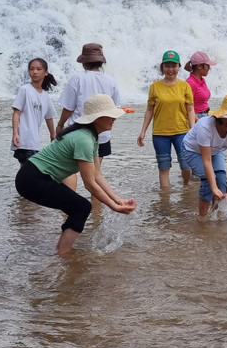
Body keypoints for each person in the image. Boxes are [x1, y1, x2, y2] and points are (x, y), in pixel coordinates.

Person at [15, 94, 136, 256]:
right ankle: (63, 253)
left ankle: (63, 251)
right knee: (82, 207)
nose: (114, 119)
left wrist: (118, 199)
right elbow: (90, 184)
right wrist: (113, 207)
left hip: (33, 176)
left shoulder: (91, 137)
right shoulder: (83, 139)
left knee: (77, 207)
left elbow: (97, 175)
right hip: (32, 178)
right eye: (110, 115)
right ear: (96, 118)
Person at [56, 43, 122, 190]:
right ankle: (97, 212)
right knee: (95, 174)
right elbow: (115, 109)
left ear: (84, 62)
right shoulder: (111, 81)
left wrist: (60, 125)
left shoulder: (77, 79)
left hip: (77, 133)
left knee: (69, 170)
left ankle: (68, 208)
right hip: (101, 135)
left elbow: (68, 108)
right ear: (101, 62)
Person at [182, 94, 227, 216]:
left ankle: (215, 215)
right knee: (209, 183)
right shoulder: (205, 126)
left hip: (216, 150)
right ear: (221, 115)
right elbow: (207, 160)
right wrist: (213, 187)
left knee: (222, 182)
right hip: (191, 150)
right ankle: (202, 218)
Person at [137, 50, 196, 188]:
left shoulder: (184, 86)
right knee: (163, 167)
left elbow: (190, 109)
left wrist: (193, 129)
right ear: (162, 67)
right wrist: (143, 131)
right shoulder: (154, 87)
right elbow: (150, 110)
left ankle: (186, 187)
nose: (170, 69)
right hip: (160, 134)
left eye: (174, 66)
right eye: (167, 66)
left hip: (181, 132)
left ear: (179, 67)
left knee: (186, 165)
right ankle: (165, 201)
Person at [11, 58, 58, 164]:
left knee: (28, 172)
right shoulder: (25, 90)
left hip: (34, 141)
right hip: (23, 139)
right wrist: (15, 133)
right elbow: (16, 112)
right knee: (29, 170)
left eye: (38, 69)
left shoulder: (45, 95)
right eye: (31, 69)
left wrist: (53, 135)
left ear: (45, 72)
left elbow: (49, 117)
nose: (34, 72)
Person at [184, 50, 217, 119]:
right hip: (197, 117)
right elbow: (187, 107)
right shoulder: (190, 83)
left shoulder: (201, 80)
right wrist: (198, 122)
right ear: (199, 66)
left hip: (205, 114)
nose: (209, 69)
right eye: (207, 66)